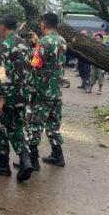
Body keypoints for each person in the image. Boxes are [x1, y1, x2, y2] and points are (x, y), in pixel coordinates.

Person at [0, 14, 34, 182]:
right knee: (16, 127)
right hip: (22, 94)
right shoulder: (25, 44)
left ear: (2, 27)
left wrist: (0, 98)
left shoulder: (5, 45)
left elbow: (2, 73)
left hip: (8, 95)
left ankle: (2, 163)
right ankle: (25, 159)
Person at [27, 13, 67, 169]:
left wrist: (35, 47)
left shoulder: (44, 42)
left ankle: (33, 159)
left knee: (35, 124)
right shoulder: (62, 40)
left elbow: (36, 64)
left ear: (43, 24)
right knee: (53, 124)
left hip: (43, 90)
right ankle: (58, 155)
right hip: (56, 89)